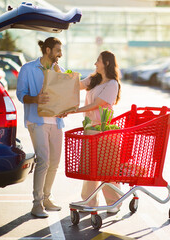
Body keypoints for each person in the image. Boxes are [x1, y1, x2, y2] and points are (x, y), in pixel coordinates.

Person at [65, 50, 122, 213]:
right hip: (90, 129)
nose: (95, 63)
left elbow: (96, 104)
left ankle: (115, 202)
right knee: (90, 168)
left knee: (105, 169)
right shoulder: (94, 79)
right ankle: (89, 202)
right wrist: (60, 75)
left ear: (107, 63)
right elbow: (77, 85)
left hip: (104, 130)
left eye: (98, 60)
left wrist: (72, 110)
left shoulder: (112, 84)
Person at [16, 37, 65, 218]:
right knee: (43, 160)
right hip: (37, 121)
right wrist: (36, 99)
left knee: (54, 163)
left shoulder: (57, 69)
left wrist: (64, 109)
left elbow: (62, 95)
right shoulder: (28, 69)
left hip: (56, 122)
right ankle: (37, 204)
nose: (60, 54)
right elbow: (21, 95)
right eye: (58, 50)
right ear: (47, 50)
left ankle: (46, 198)